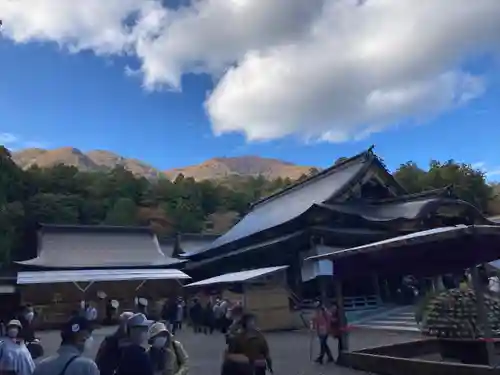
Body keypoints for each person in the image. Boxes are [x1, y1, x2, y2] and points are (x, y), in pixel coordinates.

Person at [33, 316, 98, 375]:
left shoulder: (41, 366)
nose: (90, 338)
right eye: (89, 334)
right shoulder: (88, 367)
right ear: (81, 339)